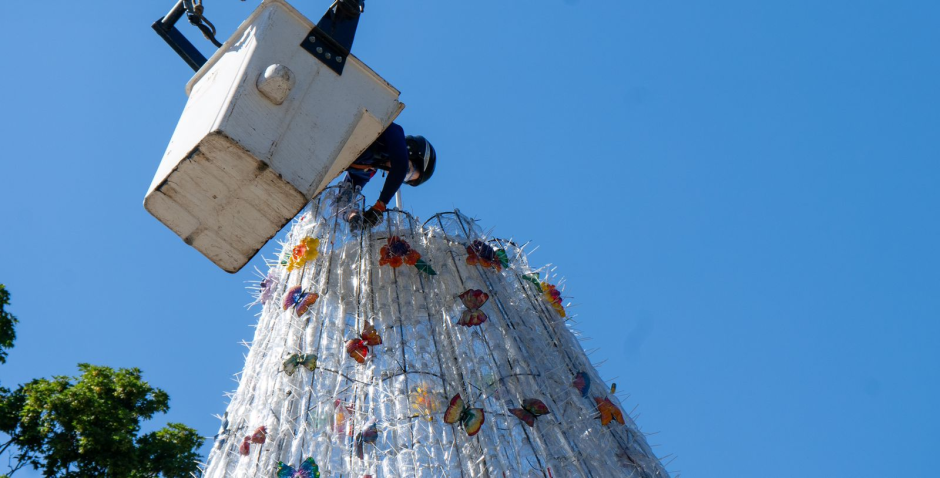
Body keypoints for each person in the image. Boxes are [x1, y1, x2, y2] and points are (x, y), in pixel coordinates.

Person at [341, 122, 436, 228]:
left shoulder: (367, 169)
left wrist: (352, 216)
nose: (401, 176)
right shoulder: (393, 132)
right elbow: (400, 166)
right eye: (408, 170)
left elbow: (341, 201)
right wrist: (380, 205)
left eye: (405, 178)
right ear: (409, 149)